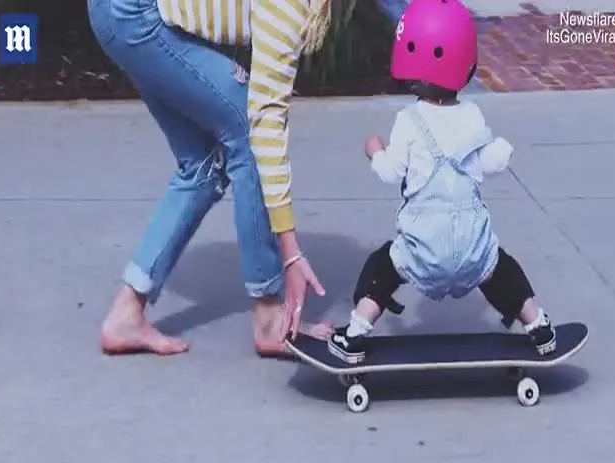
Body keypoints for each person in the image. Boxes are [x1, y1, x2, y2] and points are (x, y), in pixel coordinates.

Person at [87, 0, 335, 356]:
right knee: (248, 134)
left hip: (114, 12)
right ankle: (269, 315)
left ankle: (127, 311)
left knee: (202, 163)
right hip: (134, 13)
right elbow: (264, 122)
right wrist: (290, 252)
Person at [327, 0, 556, 364]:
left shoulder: (408, 120)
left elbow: (391, 172)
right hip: (471, 249)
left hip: (422, 253)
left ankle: (355, 334)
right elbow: (492, 161)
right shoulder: (472, 115)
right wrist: (503, 149)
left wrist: (375, 151)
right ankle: (540, 327)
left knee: (382, 267)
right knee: (501, 269)